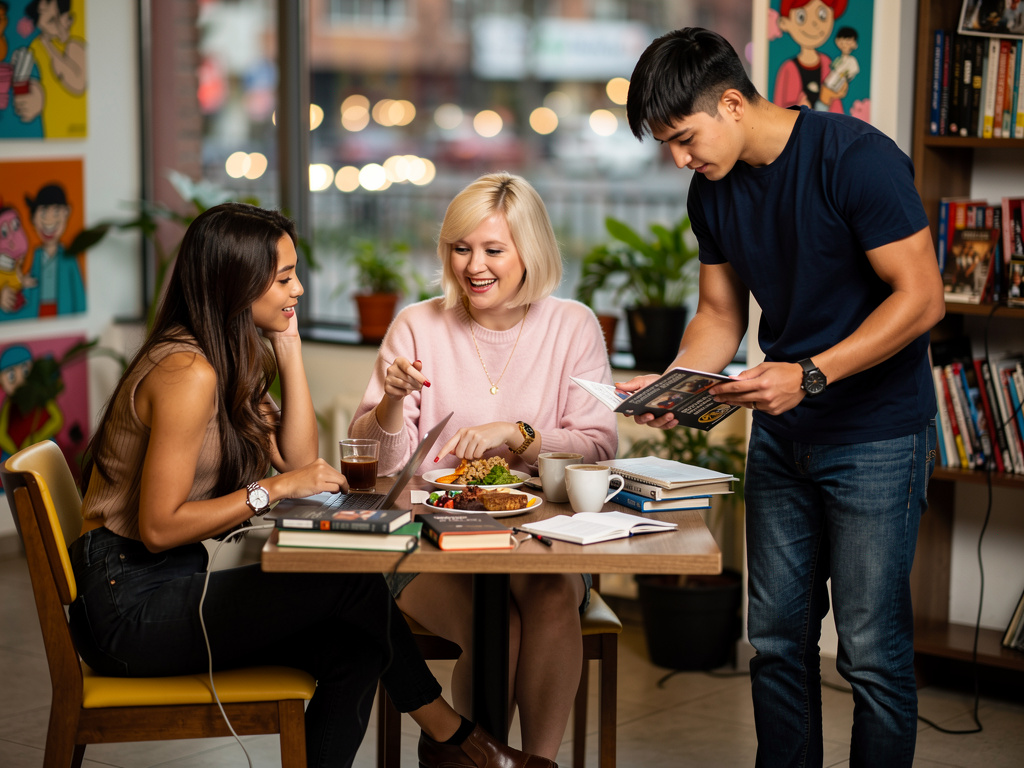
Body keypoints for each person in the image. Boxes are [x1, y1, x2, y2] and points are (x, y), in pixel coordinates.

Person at [67, 202, 555, 768]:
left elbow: (297, 457)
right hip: (130, 609)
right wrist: (270, 491)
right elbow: (157, 529)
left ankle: (457, 743)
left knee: (356, 647)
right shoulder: (187, 372)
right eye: (283, 278)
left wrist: (289, 347)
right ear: (236, 281)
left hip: (171, 588)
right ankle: (458, 741)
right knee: (351, 587)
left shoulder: (227, 357)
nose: (298, 288)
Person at [621, 28, 945, 768]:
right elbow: (720, 316)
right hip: (781, 435)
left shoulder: (855, 159)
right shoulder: (713, 190)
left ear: (732, 103)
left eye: (684, 136)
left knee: (869, 655)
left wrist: (811, 372)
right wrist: (679, 383)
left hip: (877, 438)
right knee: (774, 645)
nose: (679, 158)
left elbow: (922, 300)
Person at [349, 172, 618, 759]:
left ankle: (537, 761)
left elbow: (599, 446)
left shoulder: (572, 326)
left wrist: (518, 435)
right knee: (498, 627)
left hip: (543, 538)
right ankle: (478, 755)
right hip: (425, 540)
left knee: (548, 598)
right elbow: (376, 468)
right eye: (461, 248)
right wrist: (392, 402)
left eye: (494, 249)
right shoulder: (418, 325)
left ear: (531, 251)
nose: (475, 265)